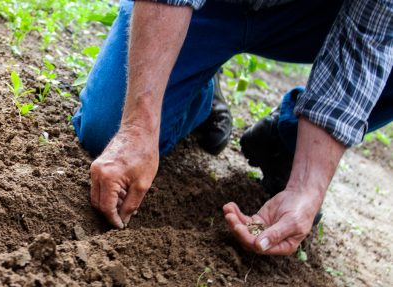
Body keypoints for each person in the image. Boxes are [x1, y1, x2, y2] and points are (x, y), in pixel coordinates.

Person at [72, 0, 393, 256]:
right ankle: (197, 89)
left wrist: (307, 187)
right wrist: (137, 128)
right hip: (210, 7)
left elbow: (369, 41)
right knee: (107, 129)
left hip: (311, 14)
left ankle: (288, 141)